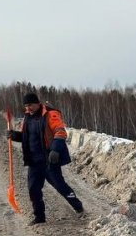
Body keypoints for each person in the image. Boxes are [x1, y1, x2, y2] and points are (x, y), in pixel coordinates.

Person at [8, 93, 84, 225]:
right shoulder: (27, 118)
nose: (28, 108)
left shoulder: (50, 114)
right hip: (34, 161)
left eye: (30, 105)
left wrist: (55, 149)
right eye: (26, 106)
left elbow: (60, 132)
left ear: (38, 103)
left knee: (61, 186)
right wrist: (15, 135)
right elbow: (27, 137)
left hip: (49, 160)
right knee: (33, 189)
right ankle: (39, 217)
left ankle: (78, 207)